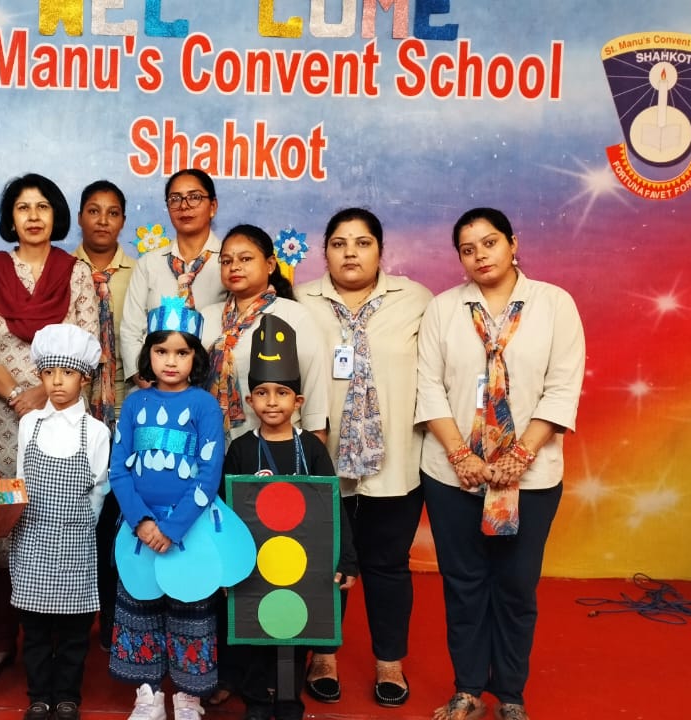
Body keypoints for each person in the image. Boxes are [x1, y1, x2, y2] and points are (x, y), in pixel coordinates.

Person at [416, 208, 585, 720]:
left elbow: (562, 386)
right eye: (467, 249)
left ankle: (510, 694)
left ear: (513, 243)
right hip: (452, 475)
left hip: (530, 476)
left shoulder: (554, 304)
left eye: (489, 243)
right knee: (464, 584)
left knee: (515, 587)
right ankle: (468, 689)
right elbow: (429, 386)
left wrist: (521, 455)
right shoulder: (444, 309)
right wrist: (460, 455)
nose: (480, 256)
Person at [295, 208, 433, 707]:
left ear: (380, 250)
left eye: (362, 242)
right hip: (323, 462)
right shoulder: (300, 300)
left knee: (388, 565)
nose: (350, 253)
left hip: (394, 464)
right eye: (339, 243)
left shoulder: (416, 300)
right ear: (325, 251)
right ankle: (324, 655)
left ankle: (389, 662)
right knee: (324, 562)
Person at [0, 173, 98, 678]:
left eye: (43, 206)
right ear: (11, 218)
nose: (34, 216)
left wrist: (42, 393)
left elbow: (87, 340)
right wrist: (15, 396)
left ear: (56, 214)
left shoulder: (75, 271)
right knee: (1, 520)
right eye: (23, 207)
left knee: (52, 517)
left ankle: (58, 636)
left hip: (58, 407)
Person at [221, 314, 357, 720]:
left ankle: (287, 702)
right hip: (253, 564)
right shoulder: (241, 449)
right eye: (262, 393)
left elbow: (332, 505)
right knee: (253, 627)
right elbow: (225, 513)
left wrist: (347, 558)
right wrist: (226, 566)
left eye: (282, 393)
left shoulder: (312, 450)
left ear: (298, 402)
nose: (272, 402)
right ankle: (257, 702)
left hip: (302, 565)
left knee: (294, 629)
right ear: (249, 401)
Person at [107, 298, 224, 720]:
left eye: (181, 352)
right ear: (148, 354)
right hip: (138, 532)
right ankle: (148, 695)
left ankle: (189, 698)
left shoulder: (205, 406)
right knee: (140, 609)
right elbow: (119, 470)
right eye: (161, 351)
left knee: (190, 610)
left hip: (189, 530)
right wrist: (140, 521)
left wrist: (172, 528)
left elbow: (208, 475)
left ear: (196, 357)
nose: (170, 361)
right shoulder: (134, 405)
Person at [10, 324, 111, 720]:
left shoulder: (96, 431)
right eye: (49, 372)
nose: (56, 381)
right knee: (34, 632)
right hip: (31, 542)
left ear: (84, 378)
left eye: (67, 373)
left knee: (73, 634)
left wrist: (74, 524)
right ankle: (38, 696)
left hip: (76, 545)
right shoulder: (29, 424)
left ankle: (68, 697)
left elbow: (99, 489)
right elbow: (21, 480)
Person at [72, 179, 134, 651]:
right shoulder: (63, 270)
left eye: (112, 213)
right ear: (80, 217)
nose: (102, 221)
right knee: (78, 515)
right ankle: (72, 618)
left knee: (117, 515)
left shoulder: (141, 270)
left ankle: (115, 620)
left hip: (126, 406)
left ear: (123, 221)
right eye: (94, 211)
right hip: (75, 407)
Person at [199, 225, 328, 442]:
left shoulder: (294, 316)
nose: (234, 267)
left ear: (270, 265)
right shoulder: (206, 317)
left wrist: (316, 443)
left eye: (245, 259)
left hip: (278, 444)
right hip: (212, 442)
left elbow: (315, 390)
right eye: (227, 261)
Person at [119, 168, 227, 391]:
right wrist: (149, 383)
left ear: (213, 206)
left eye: (194, 197)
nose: (184, 206)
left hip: (215, 387)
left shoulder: (228, 261)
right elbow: (131, 330)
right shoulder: (150, 263)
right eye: (175, 199)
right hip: (154, 389)